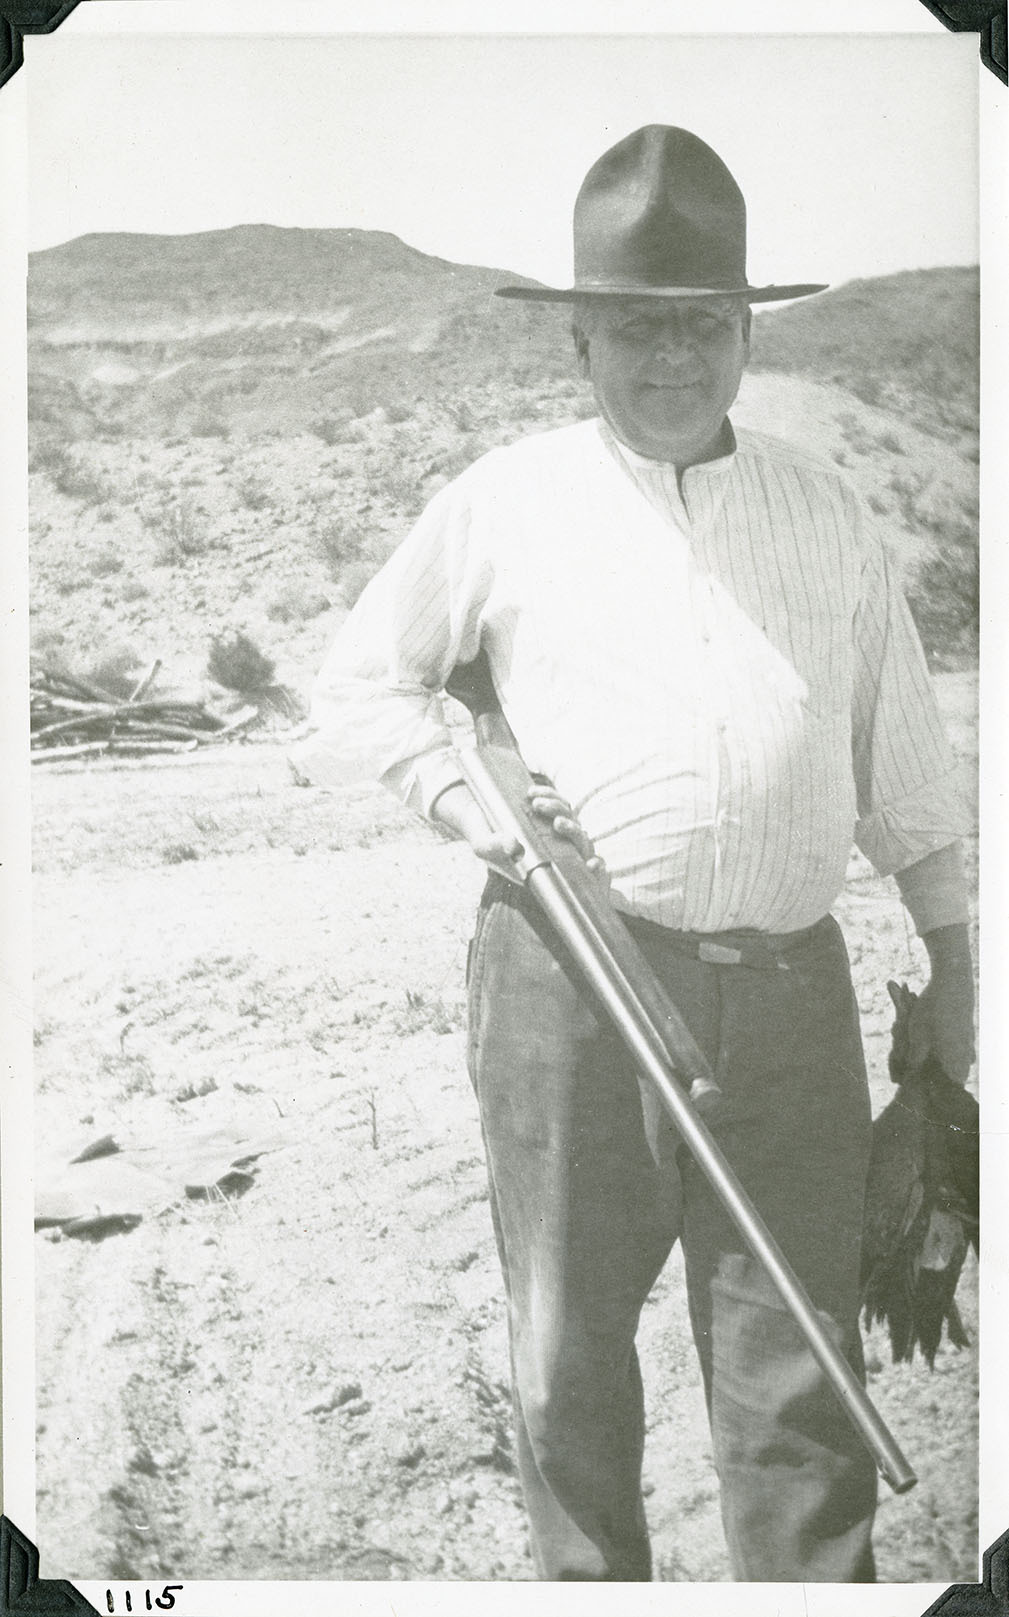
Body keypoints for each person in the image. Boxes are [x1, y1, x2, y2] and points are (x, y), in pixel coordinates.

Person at [302, 125, 975, 1582]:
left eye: (699, 325)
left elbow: (904, 765)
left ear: (743, 332)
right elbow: (363, 687)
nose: (668, 358)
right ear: (578, 341)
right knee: (565, 1361)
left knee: (801, 1380)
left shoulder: (826, 509)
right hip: (569, 987)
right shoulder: (502, 501)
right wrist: (480, 806)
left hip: (794, 1004)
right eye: (632, 327)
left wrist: (950, 964)